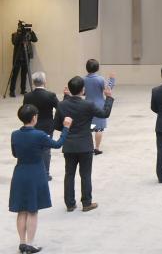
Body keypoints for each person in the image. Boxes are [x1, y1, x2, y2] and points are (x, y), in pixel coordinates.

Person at [9, 104, 71, 254]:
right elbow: (57, 144)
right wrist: (66, 128)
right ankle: (31, 243)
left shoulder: (14, 134)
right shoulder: (39, 135)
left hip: (20, 172)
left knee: (21, 209)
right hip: (35, 172)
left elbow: (15, 154)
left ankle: (22, 242)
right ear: (34, 118)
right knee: (32, 210)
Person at [53, 76, 114, 212]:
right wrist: (108, 98)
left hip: (68, 144)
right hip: (85, 144)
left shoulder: (62, 105)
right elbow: (104, 113)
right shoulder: (88, 104)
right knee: (85, 174)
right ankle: (86, 203)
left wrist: (67, 126)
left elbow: (57, 125)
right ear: (83, 90)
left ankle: (70, 204)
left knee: (69, 174)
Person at [22, 72, 60, 180]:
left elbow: (25, 110)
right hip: (47, 126)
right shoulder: (50, 95)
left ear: (33, 83)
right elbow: (60, 108)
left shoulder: (27, 96)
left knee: (33, 148)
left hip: (32, 125)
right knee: (46, 150)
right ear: (44, 81)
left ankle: (33, 172)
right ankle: (45, 174)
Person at [83, 59, 111, 155]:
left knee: (89, 127)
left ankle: (88, 147)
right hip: (99, 104)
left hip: (86, 104)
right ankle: (97, 148)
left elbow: (83, 92)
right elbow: (108, 90)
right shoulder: (100, 79)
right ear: (97, 68)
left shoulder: (84, 79)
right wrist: (112, 80)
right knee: (99, 128)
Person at [8, 23, 37, 97]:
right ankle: (11, 91)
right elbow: (15, 42)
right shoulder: (14, 34)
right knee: (14, 75)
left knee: (24, 75)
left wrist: (31, 31)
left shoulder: (28, 34)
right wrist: (19, 33)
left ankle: (23, 90)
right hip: (17, 58)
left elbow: (35, 39)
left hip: (26, 57)